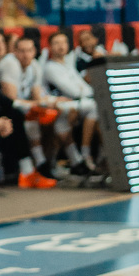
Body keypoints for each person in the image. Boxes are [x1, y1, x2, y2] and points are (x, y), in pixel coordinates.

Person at [0, 36, 58, 187]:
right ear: (15, 52)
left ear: (34, 51)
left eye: (29, 51)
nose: (26, 55)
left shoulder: (34, 66)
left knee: (40, 113)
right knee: (17, 116)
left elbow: (36, 97)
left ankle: (41, 164)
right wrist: (36, 105)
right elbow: (10, 100)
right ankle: (28, 170)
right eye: (22, 51)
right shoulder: (10, 64)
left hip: (18, 108)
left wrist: (46, 104)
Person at [43, 31, 99, 175]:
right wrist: (83, 91)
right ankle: (82, 157)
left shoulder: (68, 64)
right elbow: (73, 92)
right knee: (92, 107)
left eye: (63, 42)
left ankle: (78, 160)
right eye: (56, 43)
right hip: (55, 105)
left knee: (93, 108)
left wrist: (84, 91)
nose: (61, 46)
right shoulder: (49, 67)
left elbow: (84, 88)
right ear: (50, 47)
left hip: (72, 104)